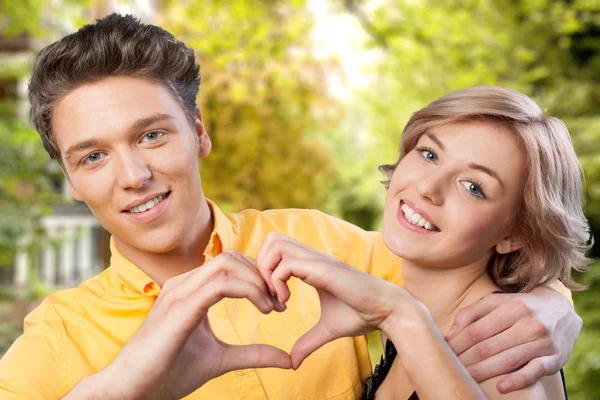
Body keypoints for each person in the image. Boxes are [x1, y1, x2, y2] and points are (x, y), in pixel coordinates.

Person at [0, 14, 582, 400]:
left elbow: (461, 265)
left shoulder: (319, 246)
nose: (134, 175)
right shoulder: (56, 340)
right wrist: (122, 386)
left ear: (198, 133)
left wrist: (545, 305)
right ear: (71, 181)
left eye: (152, 135)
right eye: (94, 156)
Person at [254, 86, 591, 399]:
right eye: (429, 155)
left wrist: (399, 312)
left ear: (514, 235)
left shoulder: (502, 354)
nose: (429, 187)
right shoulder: (408, 326)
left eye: (473, 186)